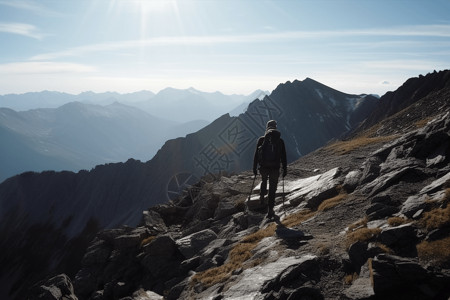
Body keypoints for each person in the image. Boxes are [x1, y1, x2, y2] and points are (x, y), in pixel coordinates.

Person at [253, 120, 287, 219]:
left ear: (267, 127)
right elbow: (283, 156)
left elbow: (256, 155)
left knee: (264, 181)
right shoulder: (280, 141)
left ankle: (262, 197)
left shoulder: (261, 140)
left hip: (263, 167)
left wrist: (254, 168)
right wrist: (285, 169)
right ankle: (270, 209)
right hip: (275, 168)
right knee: (273, 189)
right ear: (275, 127)